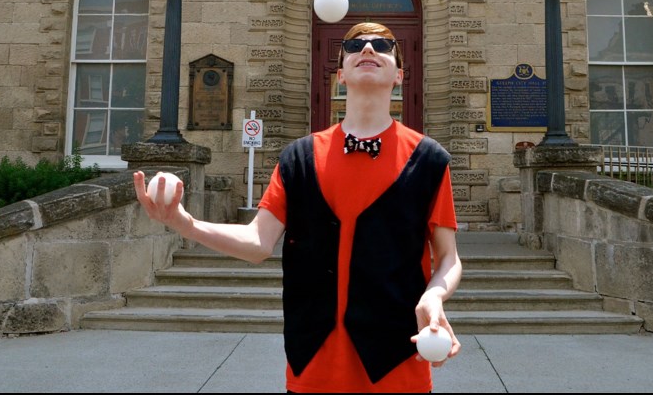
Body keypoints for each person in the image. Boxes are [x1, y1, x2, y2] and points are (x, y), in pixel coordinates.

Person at [134, 21, 462, 393]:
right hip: (312, 370)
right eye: (354, 45)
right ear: (340, 74)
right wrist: (184, 222)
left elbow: (448, 257)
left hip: (398, 369)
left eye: (383, 45)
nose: (368, 50)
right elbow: (258, 242)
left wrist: (434, 295)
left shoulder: (430, 160)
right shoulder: (298, 157)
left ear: (400, 74)